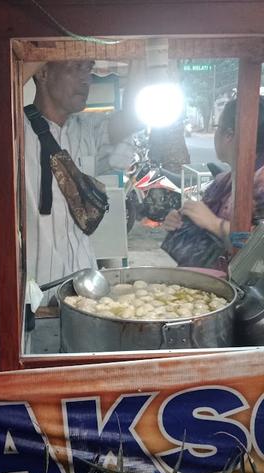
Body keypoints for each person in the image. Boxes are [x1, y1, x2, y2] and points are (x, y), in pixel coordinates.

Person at [24, 60, 142, 303]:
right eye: (75, 68)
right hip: (34, 293)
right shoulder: (15, 129)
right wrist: (35, 56)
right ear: (44, 73)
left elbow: (133, 119)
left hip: (85, 287)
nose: (86, 79)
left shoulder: (89, 129)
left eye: (88, 69)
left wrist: (140, 54)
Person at [162, 97, 264, 265]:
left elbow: (258, 247)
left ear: (229, 135)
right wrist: (180, 219)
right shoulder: (224, 180)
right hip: (214, 278)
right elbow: (200, 216)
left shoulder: (260, 181)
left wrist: (214, 223)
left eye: (217, 127)